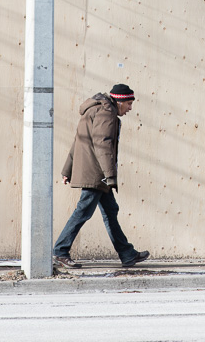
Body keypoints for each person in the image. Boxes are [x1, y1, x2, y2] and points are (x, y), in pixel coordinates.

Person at [53, 82, 149, 270]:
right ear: (120, 102)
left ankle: (127, 253)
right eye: (129, 104)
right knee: (83, 211)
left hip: (94, 170)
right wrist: (109, 175)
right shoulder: (107, 113)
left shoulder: (94, 110)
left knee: (110, 211)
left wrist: (67, 169)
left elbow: (78, 141)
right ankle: (60, 251)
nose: (130, 108)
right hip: (96, 172)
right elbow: (103, 145)